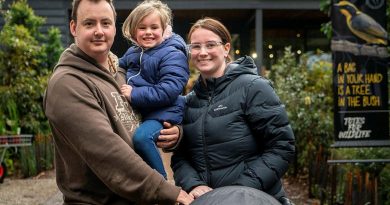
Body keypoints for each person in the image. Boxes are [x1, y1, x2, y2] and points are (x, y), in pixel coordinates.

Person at [43, 0, 193, 204]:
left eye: (105, 23)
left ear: (114, 27)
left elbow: (150, 106)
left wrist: (174, 131)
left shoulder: (119, 71)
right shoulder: (67, 83)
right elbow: (107, 152)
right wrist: (164, 190)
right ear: (73, 28)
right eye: (89, 23)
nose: (99, 31)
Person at [171, 17, 295, 205]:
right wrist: (193, 184)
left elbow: (281, 146)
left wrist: (238, 192)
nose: (202, 52)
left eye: (210, 45)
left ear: (226, 48)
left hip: (254, 199)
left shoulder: (253, 88)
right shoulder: (188, 102)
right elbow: (180, 156)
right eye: (195, 46)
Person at [119, 0, 189, 180]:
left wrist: (134, 94)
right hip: (147, 111)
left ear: (165, 29)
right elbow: (118, 66)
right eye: (142, 27)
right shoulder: (134, 51)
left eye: (154, 27)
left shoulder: (172, 53)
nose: (148, 32)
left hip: (164, 113)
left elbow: (169, 90)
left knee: (142, 138)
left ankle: (161, 182)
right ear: (134, 30)